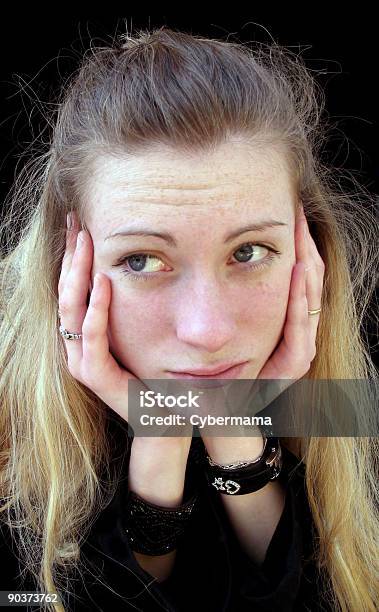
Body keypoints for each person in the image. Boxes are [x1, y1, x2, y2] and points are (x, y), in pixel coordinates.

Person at [0, 25, 378, 612]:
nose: (207, 331)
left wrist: (229, 429)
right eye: (143, 259)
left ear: (310, 257)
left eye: (248, 252)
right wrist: (161, 449)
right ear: (65, 269)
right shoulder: (7, 448)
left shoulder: (349, 408)